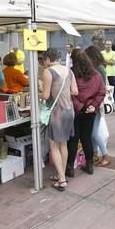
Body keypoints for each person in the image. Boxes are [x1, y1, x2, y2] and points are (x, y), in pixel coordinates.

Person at [41, 48, 78, 191]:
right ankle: (61, 175)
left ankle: (62, 180)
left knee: (54, 146)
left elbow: (45, 96)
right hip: (69, 111)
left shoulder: (48, 72)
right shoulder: (69, 71)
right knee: (63, 144)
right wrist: (63, 93)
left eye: (44, 60)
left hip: (57, 113)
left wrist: (36, 93)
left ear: (48, 59)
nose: (44, 63)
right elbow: (75, 91)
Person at [66, 50, 105, 178]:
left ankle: (70, 167)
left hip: (76, 110)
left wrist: (80, 106)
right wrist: (93, 105)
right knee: (86, 138)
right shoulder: (96, 74)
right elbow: (101, 92)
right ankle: (89, 166)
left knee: (73, 139)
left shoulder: (71, 74)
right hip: (91, 111)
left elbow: (70, 93)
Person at [84, 46, 110, 166]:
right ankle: (95, 154)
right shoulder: (98, 68)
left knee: (94, 132)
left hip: (97, 104)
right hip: (95, 103)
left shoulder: (99, 69)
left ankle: (105, 155)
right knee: (91, 131)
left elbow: (101, 89)